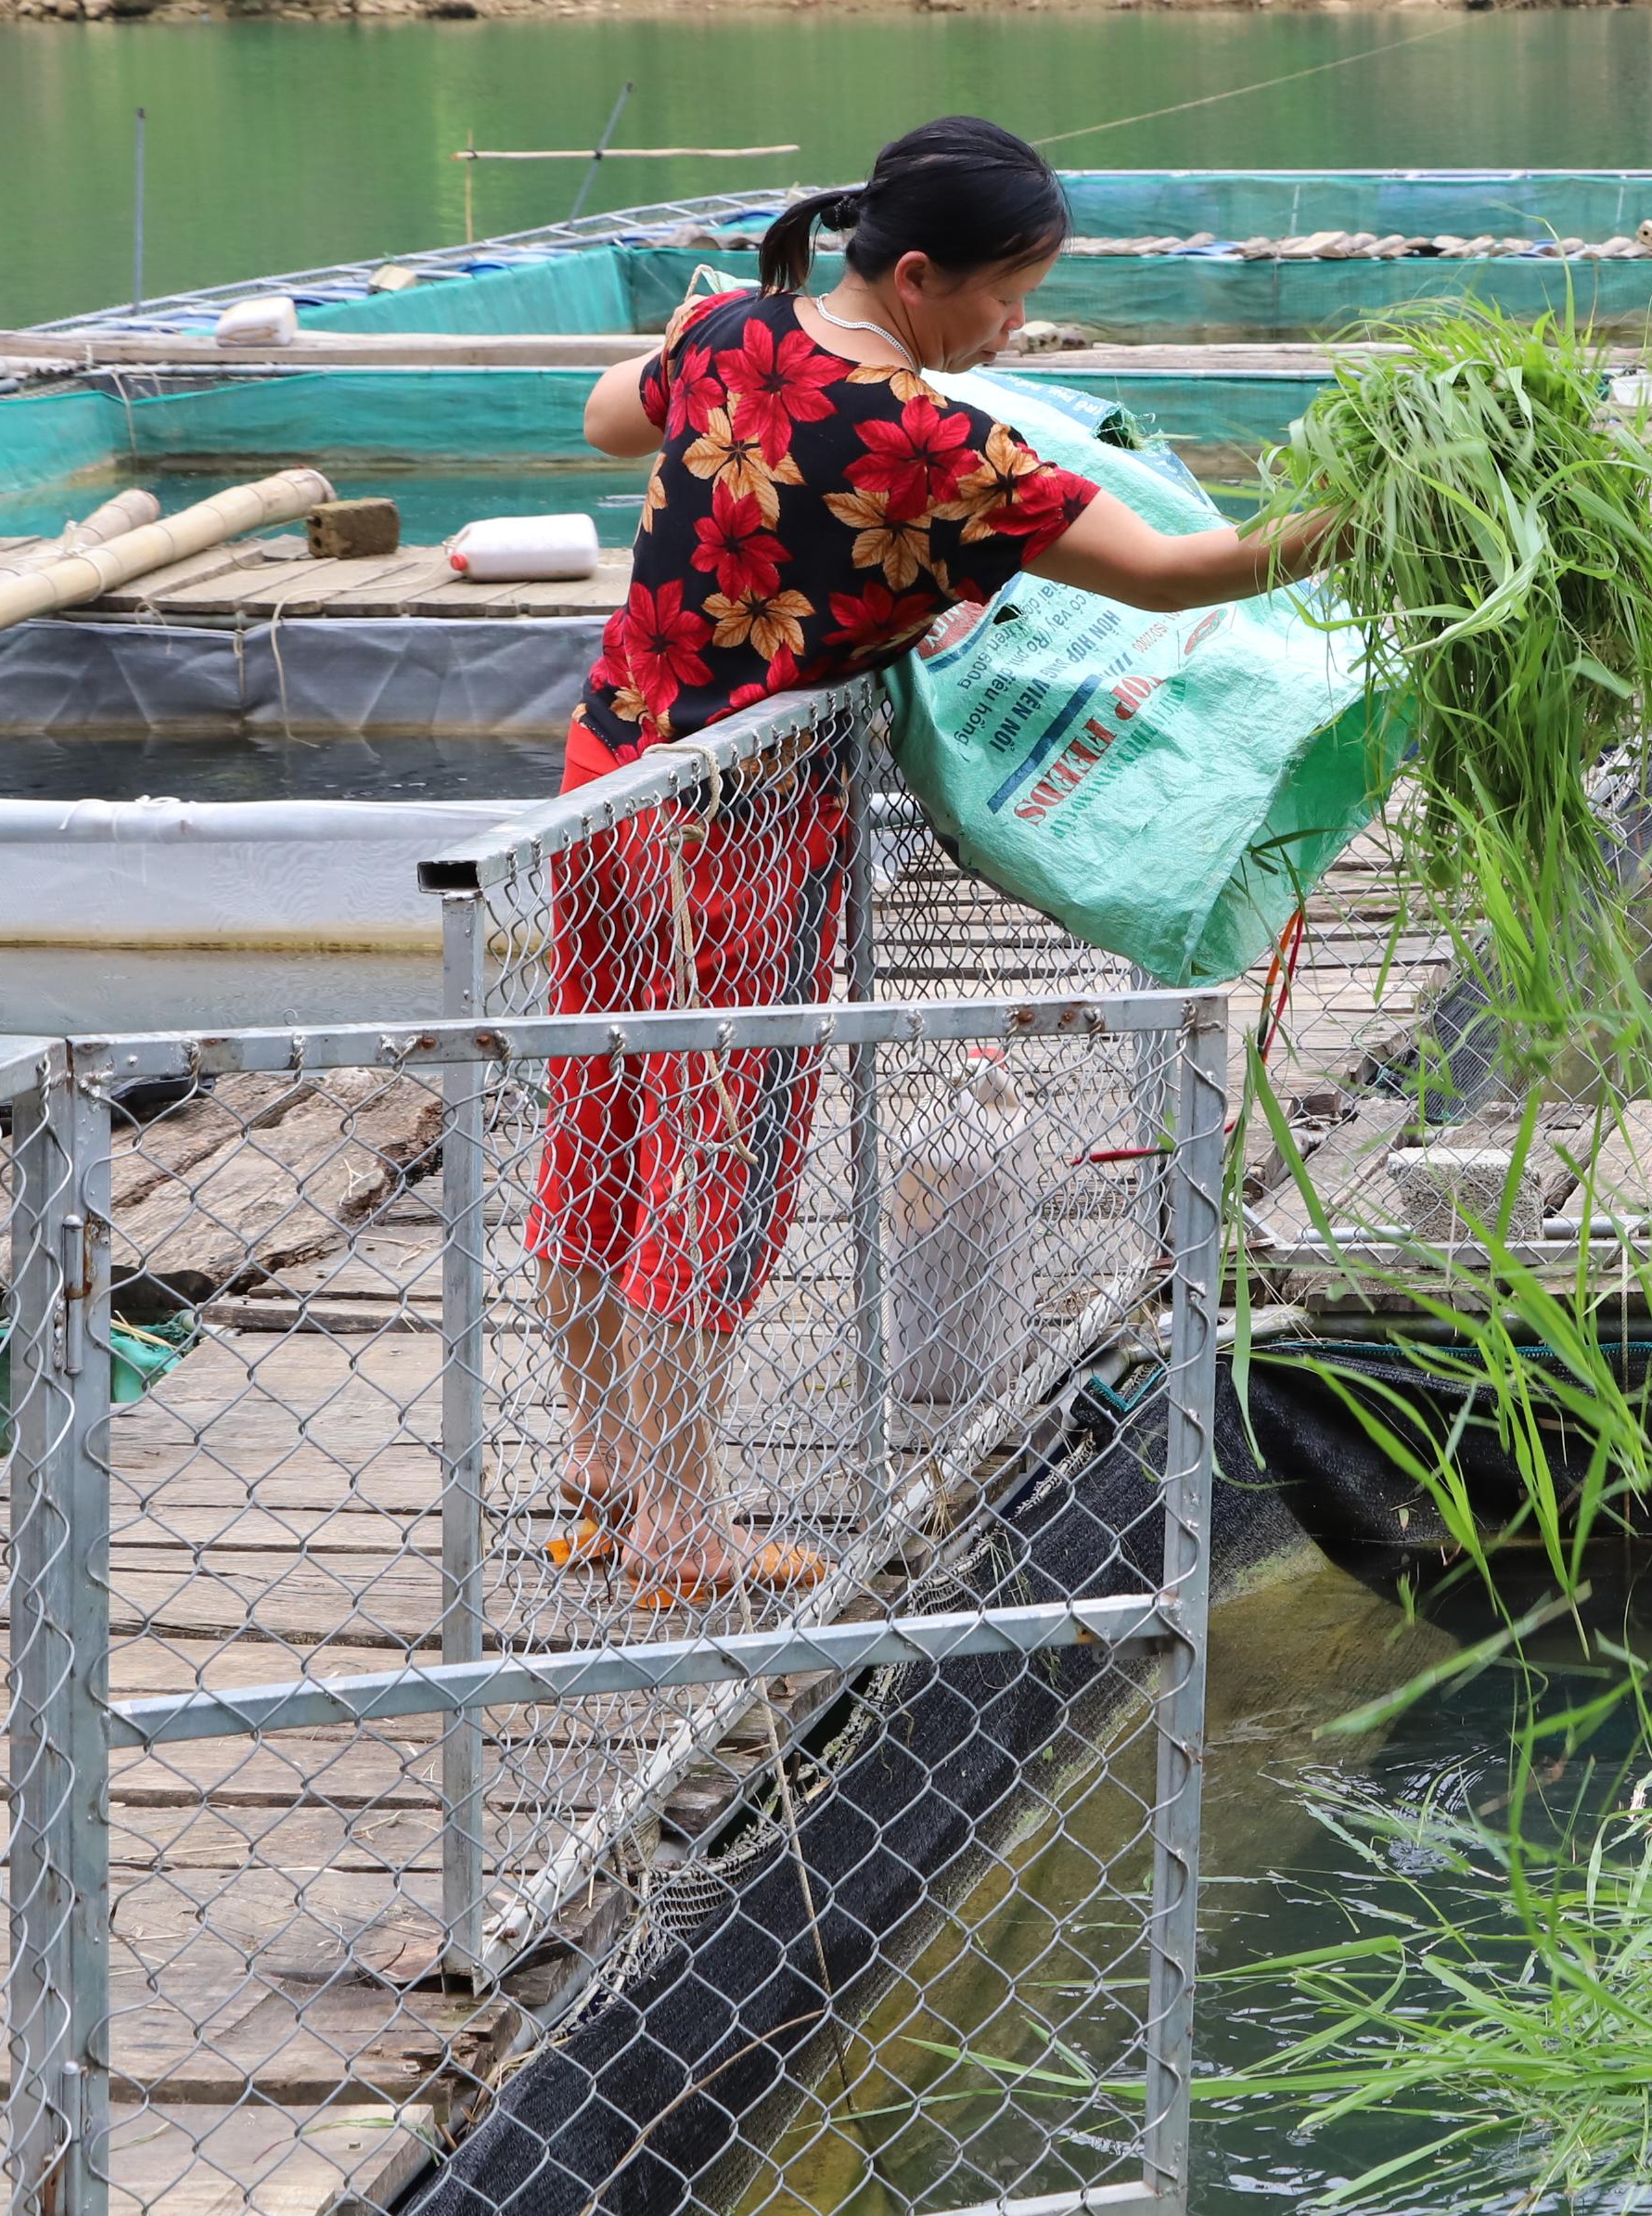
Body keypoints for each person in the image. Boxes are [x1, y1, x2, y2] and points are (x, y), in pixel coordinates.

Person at [539, 114, 1332, 1606]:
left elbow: (605, 424)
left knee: (600, 1112)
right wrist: (1370, 522)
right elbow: (1177, 578)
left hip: (602, 782)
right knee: (716, 1159)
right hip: (741, 836)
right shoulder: (939, 447)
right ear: (917, 275)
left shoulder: (734, 330)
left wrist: (693, 346)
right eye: (1008, 295)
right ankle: (680, 1528)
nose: (1018, 325)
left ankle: (604, 1462)